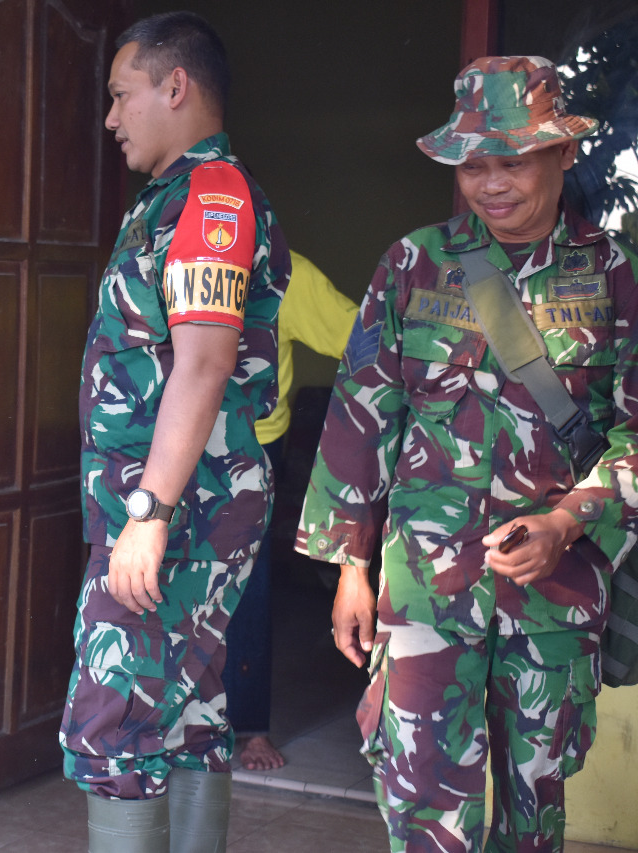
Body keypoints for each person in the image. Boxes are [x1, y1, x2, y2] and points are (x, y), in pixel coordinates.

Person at [296, 56, 638, 852]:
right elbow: (362, 416)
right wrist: (351, 567)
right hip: (424, 590)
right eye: (472, 166)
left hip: (555, 599)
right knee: (421, 807)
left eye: (511, 162)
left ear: (563, 153)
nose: (490, 185)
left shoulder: (616, 277)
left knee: (533, 814)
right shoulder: (412, 265)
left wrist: (567, 521)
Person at [58, 12, 289, 852]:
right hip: (183, 504)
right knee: (187, 716)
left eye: (122, 95)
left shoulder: (210, 197)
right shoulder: (169, 199)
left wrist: (149, 512)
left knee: (112, 721)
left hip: (181, 508)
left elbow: (203, 363)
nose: (111, 117)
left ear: (176, 87)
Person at [224, 251, 357, 772]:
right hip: (170, 437)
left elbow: (362, 336)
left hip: (251, 442)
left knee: (246, 584)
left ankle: (250, 727)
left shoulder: (286, 270)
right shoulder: (164, 256)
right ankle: (171, 727)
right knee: (168, 580)